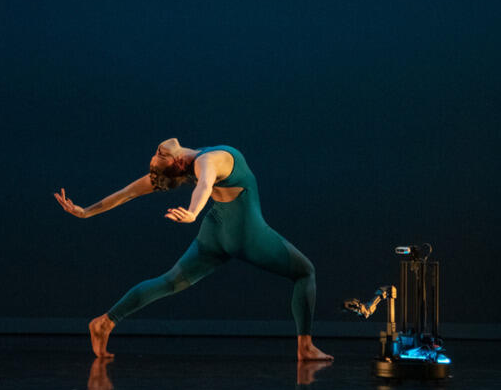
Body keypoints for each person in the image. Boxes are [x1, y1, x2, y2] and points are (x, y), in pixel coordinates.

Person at [55, 138, 333, 361]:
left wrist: (86, 212)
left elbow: (128, 192)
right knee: (305, 271)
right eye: (160, 154)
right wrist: (192, 212)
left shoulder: (193, 162)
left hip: (216, 230)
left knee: (170, 281)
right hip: (245, 232)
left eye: (156, 154)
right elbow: (204, 184)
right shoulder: (207, 160)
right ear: (176, 161)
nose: (159, 149)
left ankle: (104, 322)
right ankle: (305, 347)